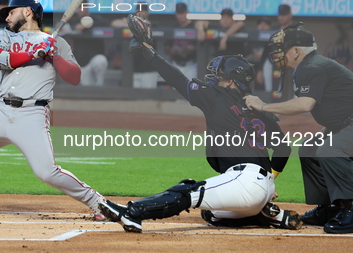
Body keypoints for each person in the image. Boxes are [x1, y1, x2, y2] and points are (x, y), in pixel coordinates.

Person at [98, 14, 300, 233]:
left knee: (189, 191)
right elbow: (283, 147)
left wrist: (149, 52)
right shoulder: (260, 109)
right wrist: (271, 178)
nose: (215, 78)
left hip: (244, 182)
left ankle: (132, 212)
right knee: (210, 213)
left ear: (231, 81)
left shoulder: (217, 95)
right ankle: (267, 216)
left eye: (220, 75)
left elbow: (178, 79)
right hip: (259, 188)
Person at [0, 0, 107, 221]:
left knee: (46, 172)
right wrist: (32, 53)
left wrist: (54, 54)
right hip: (1, 110)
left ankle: (98, 202)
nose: (6, 17)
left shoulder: (56, 42)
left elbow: (74, 77)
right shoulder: (4, 36)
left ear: (27, 12)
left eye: (11, 12)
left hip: (32, 114)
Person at [244, 23, 353, 234]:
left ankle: (351, 206)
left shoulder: (313, 66)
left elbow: (304, 105)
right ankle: (329, 207)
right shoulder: (309, 65)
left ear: (296, 51)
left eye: (281, 49)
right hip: (342, 123)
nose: (277, 54)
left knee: (329, 150)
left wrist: (263, 105)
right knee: (309, 149)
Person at [165, 3, 198, 79]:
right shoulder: (173, 28)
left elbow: (199, 47)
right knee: (176, 90)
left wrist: (189, 49)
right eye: (179, 13)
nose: (181, 16)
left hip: (190, 65)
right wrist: (174, 50)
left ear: (187, 12)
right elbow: (166, 48)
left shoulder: (194, 27)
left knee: (191, 89)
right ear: (176, 14)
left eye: (182, 13)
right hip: (176, 64)